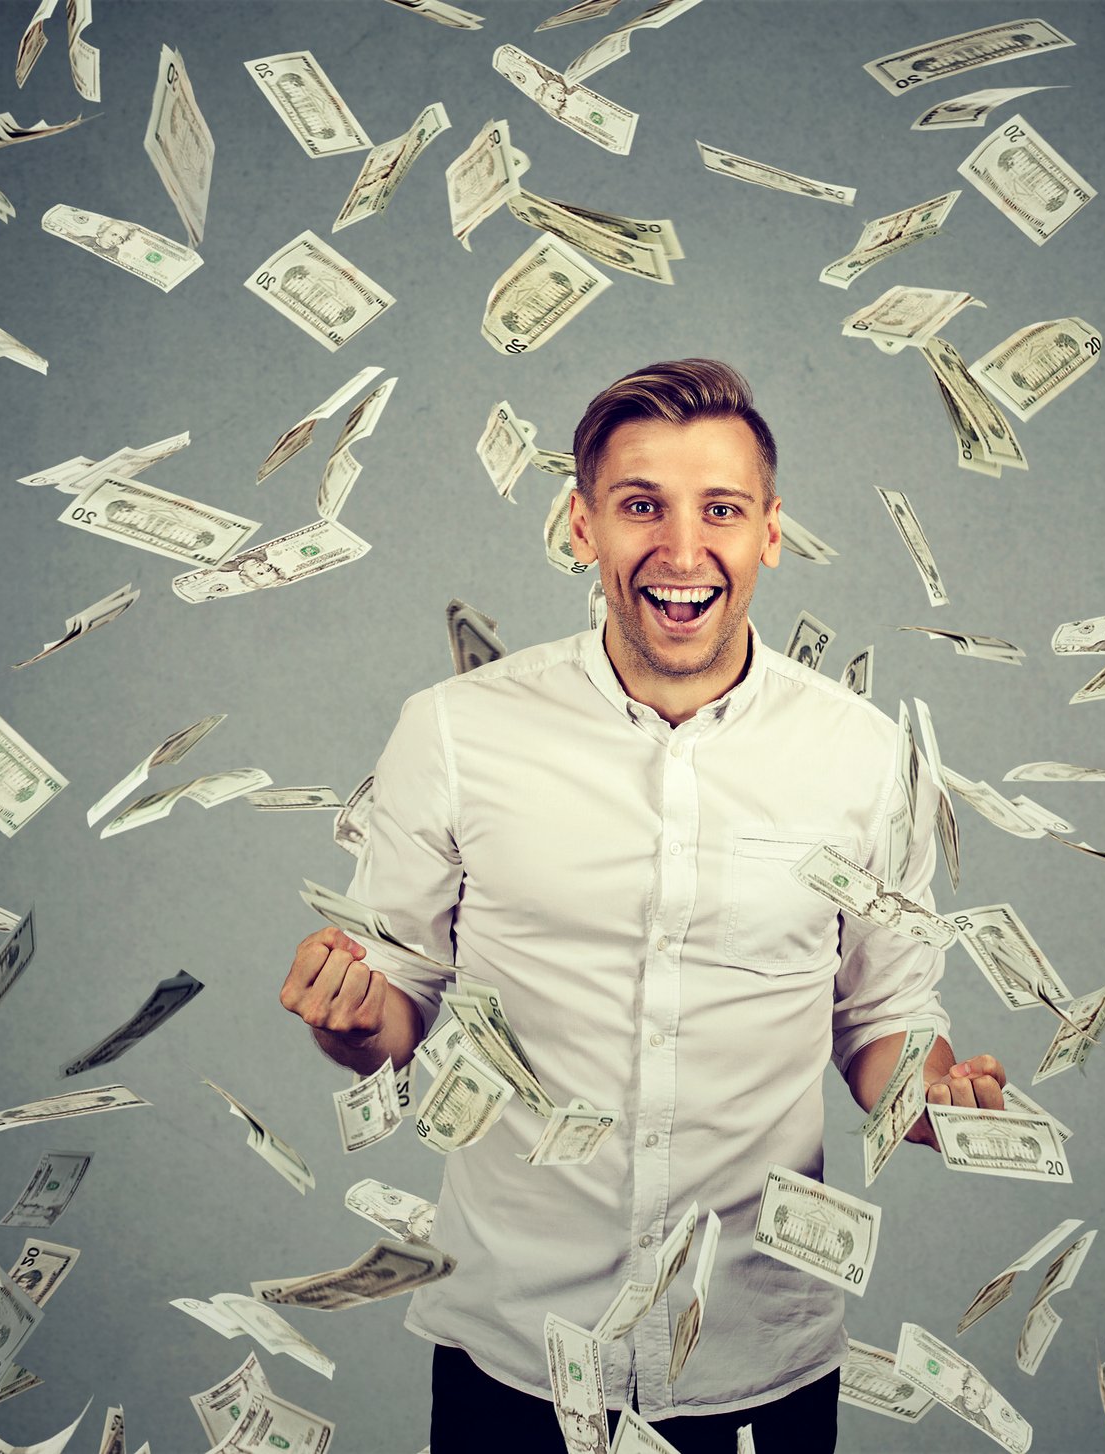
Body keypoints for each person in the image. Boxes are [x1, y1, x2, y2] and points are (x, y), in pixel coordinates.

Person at [279, 359, 1007, 1453]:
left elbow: (877, 1018)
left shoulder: (865, 756)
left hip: (759, 1356)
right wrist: (350, 1016)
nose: (680, 548)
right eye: (638, 506)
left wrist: (932, 1094)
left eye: (719, 508)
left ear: (770, 531)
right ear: (580, 525)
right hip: (513, 1356)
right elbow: (400, 1004)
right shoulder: (454, 731)